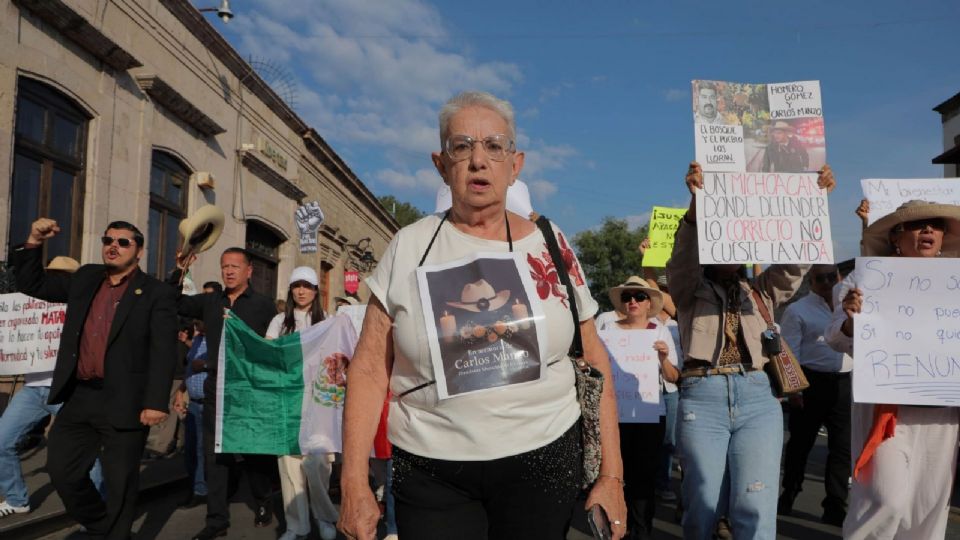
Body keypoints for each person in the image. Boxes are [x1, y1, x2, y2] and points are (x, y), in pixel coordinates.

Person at [337, 90, 627, 540]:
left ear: (516, 165)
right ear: (441, 163)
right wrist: (353, 482)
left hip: (543, 456)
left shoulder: (550, 244)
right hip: (432, 468)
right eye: (461, 146)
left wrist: (612, 478)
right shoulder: (409, 247)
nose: (478, 160)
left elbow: (595, 360)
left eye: (494, 146)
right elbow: (372, 366)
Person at [666, 161, 836, 539]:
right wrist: (696, 207)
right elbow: (681, 259)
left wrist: (815, 201)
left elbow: (795, 265)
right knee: (702, 504)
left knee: (755, 506)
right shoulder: (689, 290)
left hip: (758, 395)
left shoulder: (760, 289)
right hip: (703, 395)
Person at [10, 218, 177, 538]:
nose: (113, 246)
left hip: (127, 400)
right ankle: (104, 525)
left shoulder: (155, 292)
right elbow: (33, 285)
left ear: (139, 251)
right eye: (108, 239)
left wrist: (156, 402)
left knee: (120, 483)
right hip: (80, 396)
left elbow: (163, 351)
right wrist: (32, 240)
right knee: (62, 471)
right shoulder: (86, 277)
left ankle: (115, 532)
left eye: (123, 242)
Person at [825, 200, 960, 539]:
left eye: (934, 224)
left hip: (942, 414)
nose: (927, 230)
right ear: (897, 238)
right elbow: (833, 337)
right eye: (917, 225)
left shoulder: (957, 280)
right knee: (886, 499)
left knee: (929, 507)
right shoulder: (866, 279)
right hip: (886, 412)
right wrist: (852, 322)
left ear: (943, 237)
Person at [169, 247, 278, 540]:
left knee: (254, 455)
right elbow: (173, 301)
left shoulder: (263, 306)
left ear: (249, 271)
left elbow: (275, 347)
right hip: (216, 389)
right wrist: (180, 270)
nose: (229, 271)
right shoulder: (209, 302)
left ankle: (264, 499)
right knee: (215, 457)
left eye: (235, 266)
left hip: (249, 391)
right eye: (224, 266)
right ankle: (216, 520)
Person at [0, 257, 96, 518]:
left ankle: (95, 506)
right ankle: (17, 498)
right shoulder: (29, 305)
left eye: (64, 276)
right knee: (2, 441)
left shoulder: (82, 308)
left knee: (87, 448)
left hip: (66, 388)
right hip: (33, 388)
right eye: (52, 274)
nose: (57, 280)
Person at [598, 276, 680, 539]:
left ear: (649, 303)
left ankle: (641, 531)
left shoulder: (659, 331)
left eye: (639, 296)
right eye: (627, 297)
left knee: (643, 478)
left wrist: (664, 358)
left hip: (648, 414)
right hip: (614, 416)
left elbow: (672, 377)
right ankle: (615, 528)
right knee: (615, 474)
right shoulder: (606, 331)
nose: (632, 301)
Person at [265, 266, 339, 540]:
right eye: (296, 285)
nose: (301, 291)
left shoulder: (327, 320)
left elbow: (336, 358)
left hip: (318, 402)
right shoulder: (278, 322)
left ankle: (325, 517)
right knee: (289, 464)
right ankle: (296, 526)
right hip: (288, 400)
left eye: (307, 286)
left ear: (316, 290)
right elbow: (268, 353)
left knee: (318, 463)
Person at [777, 264, 852, 526]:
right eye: (822, 278)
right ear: (811, 281)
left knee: (842, 448)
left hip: (844, 383)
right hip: (811, 382)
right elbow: (790, 352)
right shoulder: (798, 310)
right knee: (800, 444)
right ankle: (790, 492)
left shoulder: (850, 306)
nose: (829, 282)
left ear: (840, 277)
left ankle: (835, 505)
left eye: (833, 276)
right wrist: (794, 389)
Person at [173, 319, 208, 509]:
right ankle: (196, 486)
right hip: (194, 403)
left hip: (208, 404)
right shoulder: (197, 340)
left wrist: (205, 365)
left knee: (203, 450)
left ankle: (201, 490)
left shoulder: (218, 339)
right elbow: (189, 369)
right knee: (192, 450)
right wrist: (181, 391)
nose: (197, 324)